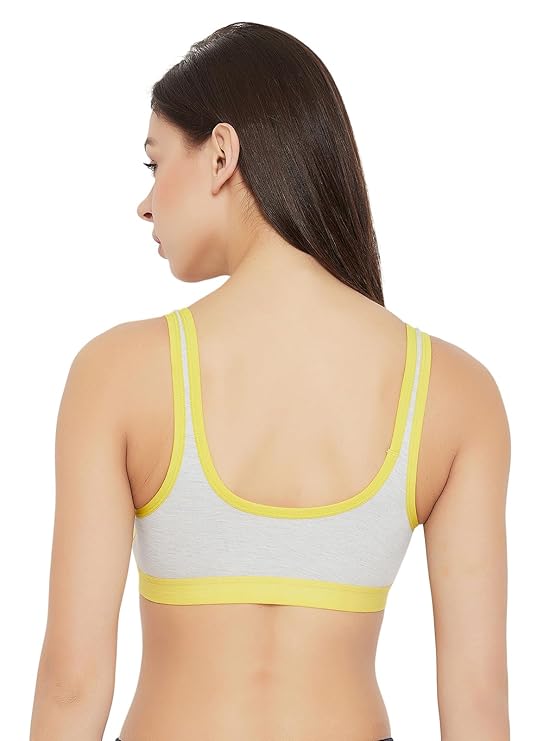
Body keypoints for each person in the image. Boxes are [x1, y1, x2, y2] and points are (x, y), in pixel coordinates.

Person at [29, 21, 510, 741]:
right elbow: (477, 701)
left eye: (155, 163)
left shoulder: (117, 373)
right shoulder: (457, 392)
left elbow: (72, 683)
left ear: (221, 154)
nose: (146, 202)